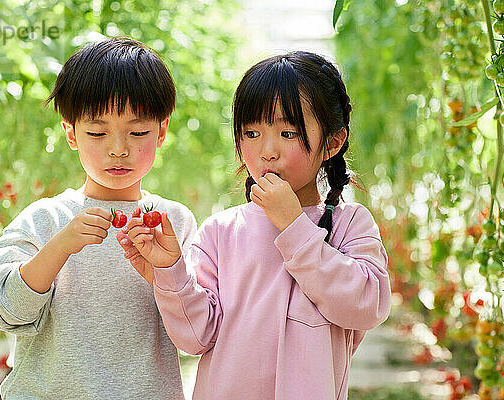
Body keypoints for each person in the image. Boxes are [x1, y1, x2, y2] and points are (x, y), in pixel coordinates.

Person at [117, 51, 392, 399]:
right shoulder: (221, 231)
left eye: (288, 133)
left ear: (333, 143)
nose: (267, 151)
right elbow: (196, 336)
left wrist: (294, 226)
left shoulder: (350, 225)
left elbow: (367, 305)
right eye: (251, 132)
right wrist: (169, 270)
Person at [0, 37, 196, 400]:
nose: (118, 148)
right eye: (97, 132)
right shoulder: (45, 219)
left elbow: (194, 332)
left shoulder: (172, 222)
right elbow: (8, 313)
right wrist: (61, 246)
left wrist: (170, 270)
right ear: (71, 133)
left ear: (161, 132)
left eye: (138, 132)